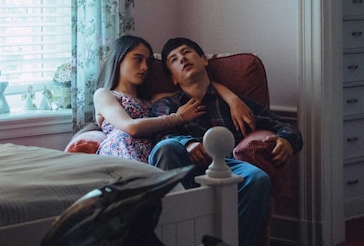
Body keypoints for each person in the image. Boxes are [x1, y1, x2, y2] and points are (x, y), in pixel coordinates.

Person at [148, 37, 303, 246]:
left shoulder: (236, 104)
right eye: (174, 59)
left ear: (203, 60)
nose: (182, 58)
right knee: (168, 147)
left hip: (225, 165)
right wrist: (187, 143)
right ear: (173, 78)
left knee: (257, 179)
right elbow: (159, 137)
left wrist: (287, 140)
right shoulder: (167, 104)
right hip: (183, 162)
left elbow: (284, 125)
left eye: (187, 52)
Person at [94, 35, 256, 163]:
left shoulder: (151, 101)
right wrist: (177, 118)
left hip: (152, 156)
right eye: (137, 59)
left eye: (147, 62)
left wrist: (232, 99)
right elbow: (131, 127)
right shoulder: (105, 95)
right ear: (119, 58)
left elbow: (199, 89)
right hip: (121, 153)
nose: (144, 67)